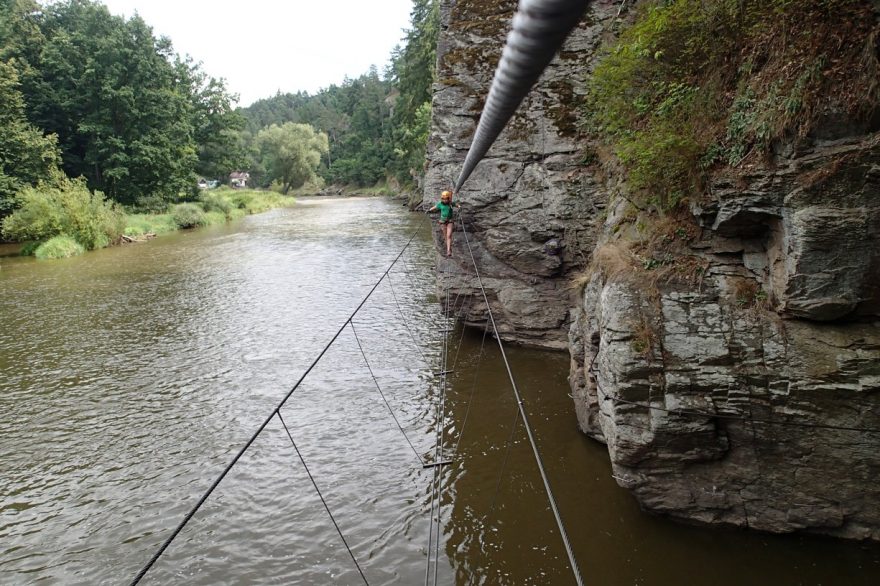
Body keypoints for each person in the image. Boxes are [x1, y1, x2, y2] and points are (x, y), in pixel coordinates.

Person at [428, 190, 459, 257]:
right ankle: (448, 247)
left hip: (450, 221)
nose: (444, 200)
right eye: (443, 199)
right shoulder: (440, 204)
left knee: (449, 235)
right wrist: (429, 210)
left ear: (448, 199)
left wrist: (459, 207)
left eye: (446, 199)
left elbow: (456, 205)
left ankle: (448, 251)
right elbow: (435, 207)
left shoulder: (451, 204)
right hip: (442, 222)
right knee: (445, 236)